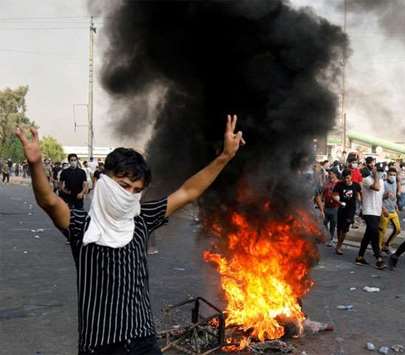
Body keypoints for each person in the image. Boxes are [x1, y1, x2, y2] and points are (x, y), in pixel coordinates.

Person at [15, 114, 244, 355]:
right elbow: (49, 201)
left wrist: (225, 157)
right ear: (104, 179)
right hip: (99, 345)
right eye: (123, 185)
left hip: (143, 340)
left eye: (136, 190)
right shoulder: (82, 226)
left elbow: (188, 191)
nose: (128, 195)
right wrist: (36, 164)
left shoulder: (141, 218)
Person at [356, 157, 386, 269]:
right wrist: (376, 177)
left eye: (381, 171)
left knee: (368, 235)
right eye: (378, 170)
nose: (380, 173)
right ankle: (378, 258)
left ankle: (360, 257)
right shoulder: (366, 180)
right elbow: (376, 188)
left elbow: (379, 196)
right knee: (375, 234)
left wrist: (383, 208)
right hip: (368, 211)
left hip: (377, 211)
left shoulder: (382, 181)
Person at [333, 169, 361, 255]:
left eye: (348, 178)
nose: (346, 180)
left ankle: (339, 245)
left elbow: (359, 195)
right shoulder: (339, 184)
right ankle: (339, 242)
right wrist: (339, 202)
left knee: (345, 228)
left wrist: (360, 201)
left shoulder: (356, 185)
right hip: (341, 209)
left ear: (351, 176)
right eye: (345, 178)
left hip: (351, 210)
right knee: (339, 228)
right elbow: (334, 195)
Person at [378, 167, 401, 253]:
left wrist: (396, 206)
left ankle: (386, 245)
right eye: (391, 175)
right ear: (387, 175)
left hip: (393, 210)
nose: (392, 177)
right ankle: (378, 248)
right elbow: (378, 197)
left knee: (398, 229)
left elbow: (395, 196)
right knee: (382, 230)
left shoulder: (395, 183)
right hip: (385, 210)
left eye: (394, 175)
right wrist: (386, 195)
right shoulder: (383, 184)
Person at [316, 170, 340, 247]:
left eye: (331, 174)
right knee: (324, 222)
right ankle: (326, 236)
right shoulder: (326, 183)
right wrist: (322, 203)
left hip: (335, 207)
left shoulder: (339, 183)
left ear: (335, 174)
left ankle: (331, 239)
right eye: (329, 174)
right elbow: (322, 194)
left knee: (333, 224)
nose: (329, 175)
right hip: (326, 206)